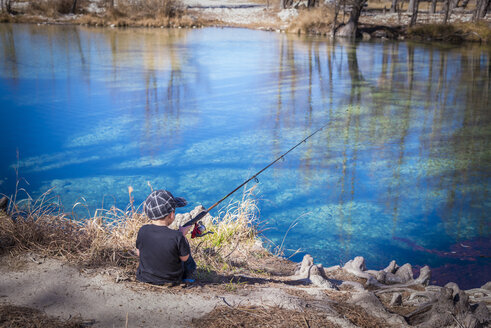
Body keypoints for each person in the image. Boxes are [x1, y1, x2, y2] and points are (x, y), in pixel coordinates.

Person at [135, 189, 197, 285]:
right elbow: (184, 258)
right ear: (172, 214)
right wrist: (183, 236)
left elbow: (139, 253)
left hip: (144, 277)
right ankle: (187, 279)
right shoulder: (177, 236)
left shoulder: (143, 230)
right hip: (171, 280)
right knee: (189, 261)